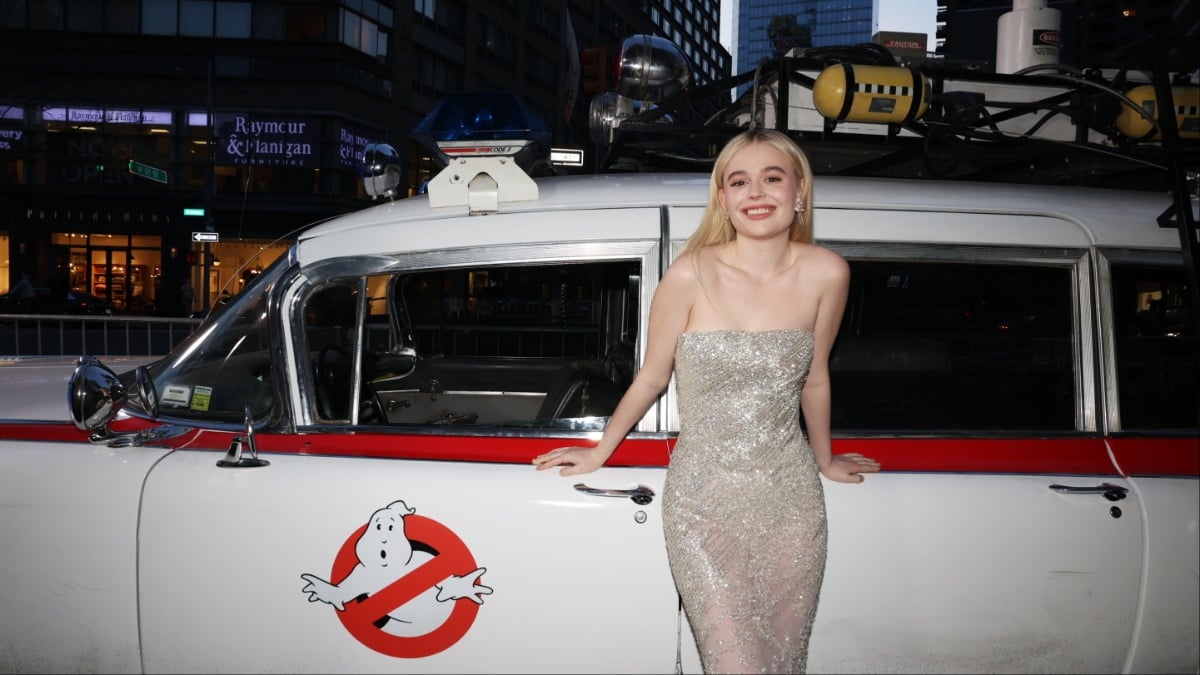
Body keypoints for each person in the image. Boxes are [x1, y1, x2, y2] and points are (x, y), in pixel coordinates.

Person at [533, 128, 881, 674]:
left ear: (800, 191)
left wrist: (825, 459)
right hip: (704, 502)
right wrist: (600, 452)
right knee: (735, 665)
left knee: (783, 661)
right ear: (723, 199)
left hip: (791, 500)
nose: (756, 192)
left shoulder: (827, 272)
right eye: (739, 181)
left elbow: (815, 378)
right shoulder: (691, 273)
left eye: (772, 177)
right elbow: (650, 377)